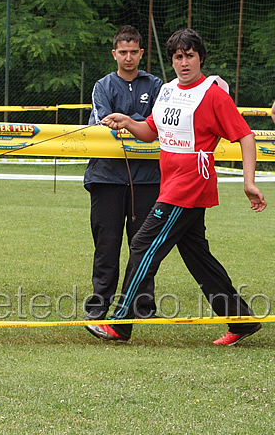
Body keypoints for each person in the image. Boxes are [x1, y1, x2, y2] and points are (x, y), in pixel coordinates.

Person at [88, 28, 267, 346]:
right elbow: (151, 131)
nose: (184, 63)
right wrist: (128, 122)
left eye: (190, 56)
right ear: (171, 60)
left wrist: (249, 182)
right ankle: (242, 321)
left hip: (189, 186)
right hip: (170, 184)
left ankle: (119, 323)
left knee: (142, 245)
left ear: (200, 58)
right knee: (199, 257)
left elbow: (246, 135)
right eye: (178, 57)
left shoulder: (213, 94)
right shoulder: (168, 91)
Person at [83, 26, 164, 321]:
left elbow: (159, 122)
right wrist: (135, 123)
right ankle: (98, 308)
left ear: (141, 53)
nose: (128, 57)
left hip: (149, 179)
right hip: (105, 178)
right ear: (114, 53)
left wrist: (127, 120)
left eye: (134, 52)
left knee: (142, 245)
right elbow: (103, 121)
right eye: (123, 52)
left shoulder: (157, 85)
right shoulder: (101, 86)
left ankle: (142, 307)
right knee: (106, 245)